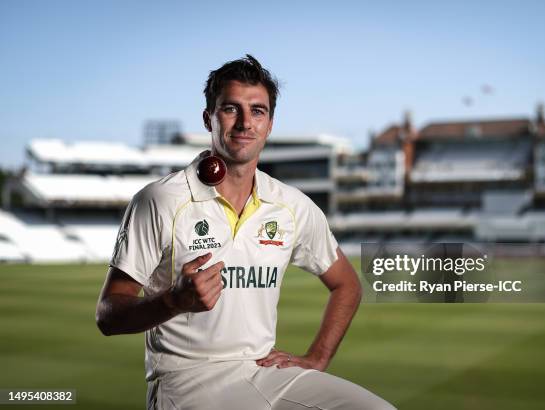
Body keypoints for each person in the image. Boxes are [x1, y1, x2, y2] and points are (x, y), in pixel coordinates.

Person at [96, 55, 395, 410]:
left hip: (264, 370)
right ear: (209, 118)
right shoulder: (160, 199)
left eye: (257, 111)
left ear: (269, 124)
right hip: (187, 380)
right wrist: (172, 301)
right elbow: (108, 315)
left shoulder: (291, 205)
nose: (244, 123)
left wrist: (317, 357)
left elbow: (347, 284)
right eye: (230, 109)